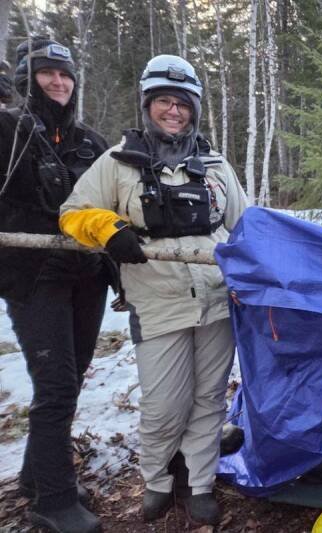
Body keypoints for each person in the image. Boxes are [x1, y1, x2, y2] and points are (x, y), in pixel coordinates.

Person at [58, 54, 248, 526]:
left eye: (182, 104)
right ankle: (158, 479)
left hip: (216, 300)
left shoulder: (216, 165)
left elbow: (248, 227)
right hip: (157, 303)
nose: (173, 112)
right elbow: (71, 213)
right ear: (147, 105)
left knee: (209, 399)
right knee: (164, 405)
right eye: (164, 101)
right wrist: (106, 227)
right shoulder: (117, 163)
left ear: (194, 111)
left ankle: (200, 482)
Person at [0, 38, 110, 533]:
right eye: (47, 73)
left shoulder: (90, 140)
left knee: (72, 376)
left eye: (65, 74)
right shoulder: (10, 130)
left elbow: (111, 204)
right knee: (57, 384)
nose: (58, 82)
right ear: (27, 78)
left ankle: (36, 476)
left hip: (87, 278)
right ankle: (55, 500)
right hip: (33, 276)